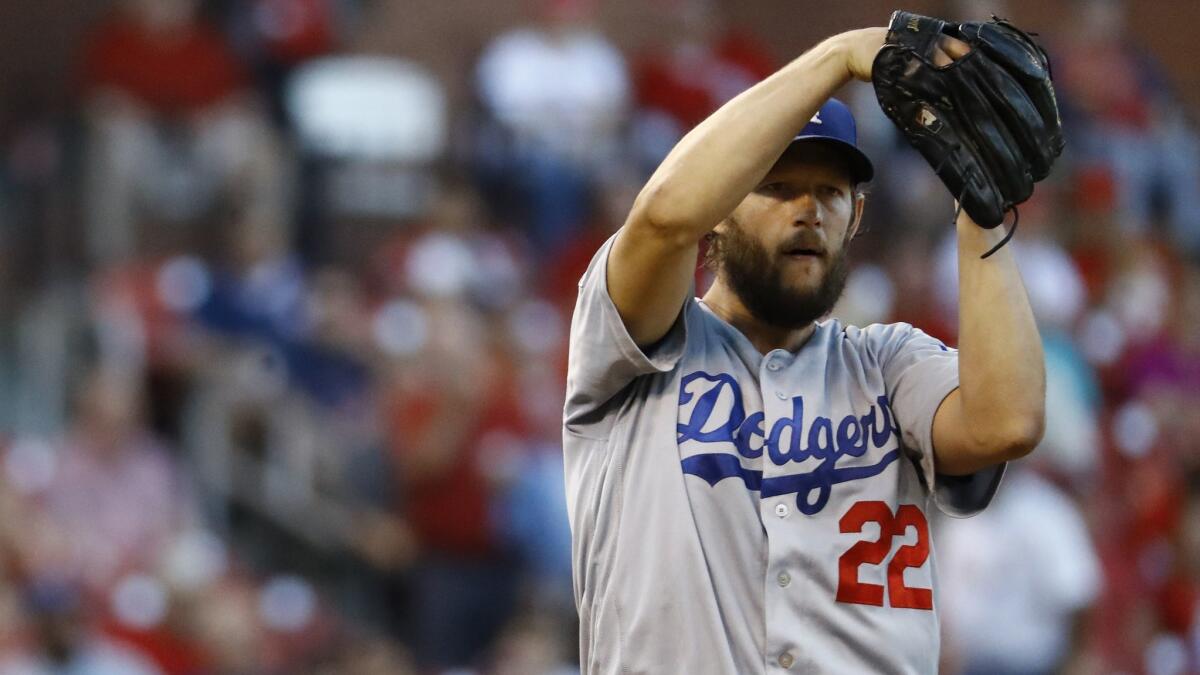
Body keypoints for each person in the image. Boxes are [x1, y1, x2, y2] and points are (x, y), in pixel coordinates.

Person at [562, 24, 1046, 674]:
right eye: (777, 186)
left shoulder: (889, 363)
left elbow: (1007, 423)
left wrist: (982, 213)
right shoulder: (634, 343)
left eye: (829, 192)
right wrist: (840, 56)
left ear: (857, 214)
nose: (808, 211)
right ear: (722, 204)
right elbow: (663, 219)